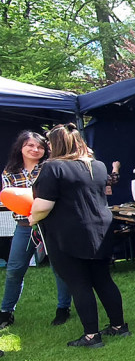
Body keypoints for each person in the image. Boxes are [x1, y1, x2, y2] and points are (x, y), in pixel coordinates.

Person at [28, 125, 128, 347]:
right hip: (100, 229)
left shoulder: (53, 167)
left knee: (78, 282)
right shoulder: (99, 166)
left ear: (57, 144)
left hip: (69, 233)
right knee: (102, 279)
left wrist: (32, 217)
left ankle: (91, 336)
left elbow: (44, 205)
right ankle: (119, 326)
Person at [1, 131, 73, 328]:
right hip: (25, 226)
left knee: (59, 269)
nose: (35, 150)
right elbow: (9, 199)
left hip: (51, 226)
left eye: (40, 147)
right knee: (15, 269)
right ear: (20, 147)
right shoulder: (10, 171)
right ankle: (6, 312)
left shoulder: (50, 168)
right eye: (30, 146)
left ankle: (63, 308)